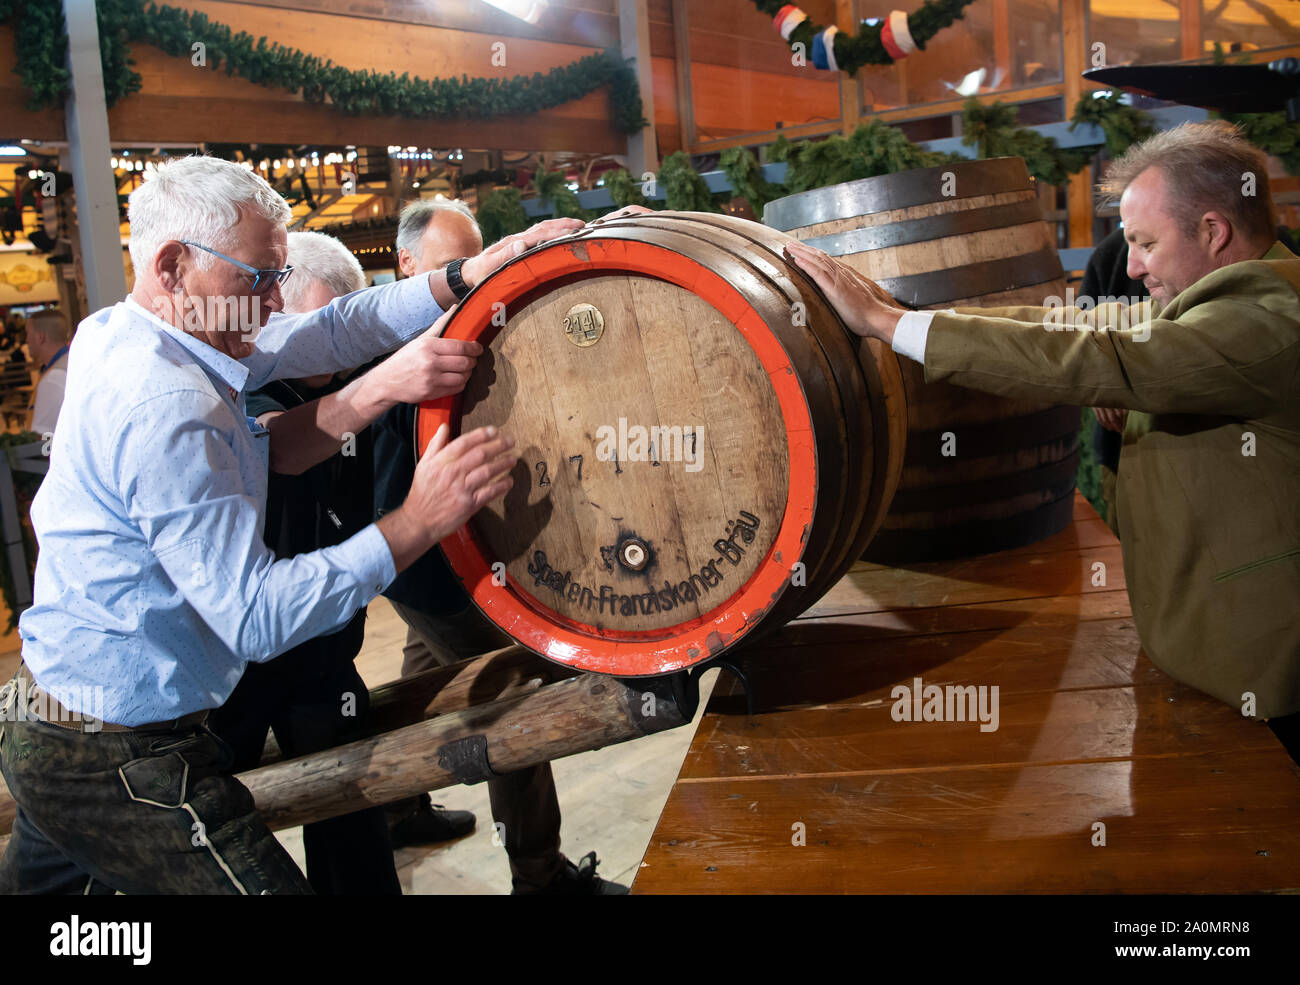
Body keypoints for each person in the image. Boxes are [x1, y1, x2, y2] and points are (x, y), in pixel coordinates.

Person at [0, 155, 581, 894]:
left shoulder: (134, 330)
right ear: (174, 264)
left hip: (52, 719)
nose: (275, 303)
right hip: (115, 751)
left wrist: (466, 277)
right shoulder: (167, 402)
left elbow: (332, 332)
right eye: (259, 277)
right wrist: (416, 518)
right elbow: (256, 615)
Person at [785, 121, 1300, 761]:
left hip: (1270, 683)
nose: (1132, 266)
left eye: (1144, 243)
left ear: (1214, 231)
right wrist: (904, 321)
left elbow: (1101, 354)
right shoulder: (1217, 305)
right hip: (1212, 658)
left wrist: (885, 323)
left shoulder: (1269, 317)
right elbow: (1070, 326)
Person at [374, 198, 626, 893]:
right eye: (451, 264)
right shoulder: (397, 338)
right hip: (429, 557)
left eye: (472, 260)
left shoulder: (437, 323)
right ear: (406, 264)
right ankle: (539, 874)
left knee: (421, 673)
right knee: (508, 701)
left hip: (413, 566)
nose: (465, 277)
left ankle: (398, 808)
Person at [206, 230, 399, 895]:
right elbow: (284, 443)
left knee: (351, 808)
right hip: (232, 665)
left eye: (344, 330)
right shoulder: (236, 387)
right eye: (320, 326)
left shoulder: (352, 377)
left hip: (322, 647)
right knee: (211, 833)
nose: (333, 347)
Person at [23, 308, 70, 435]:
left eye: (27, 333)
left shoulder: (53, 378)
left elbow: (44, 437)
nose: (26, 340)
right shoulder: (72, 361)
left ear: (40, 337)